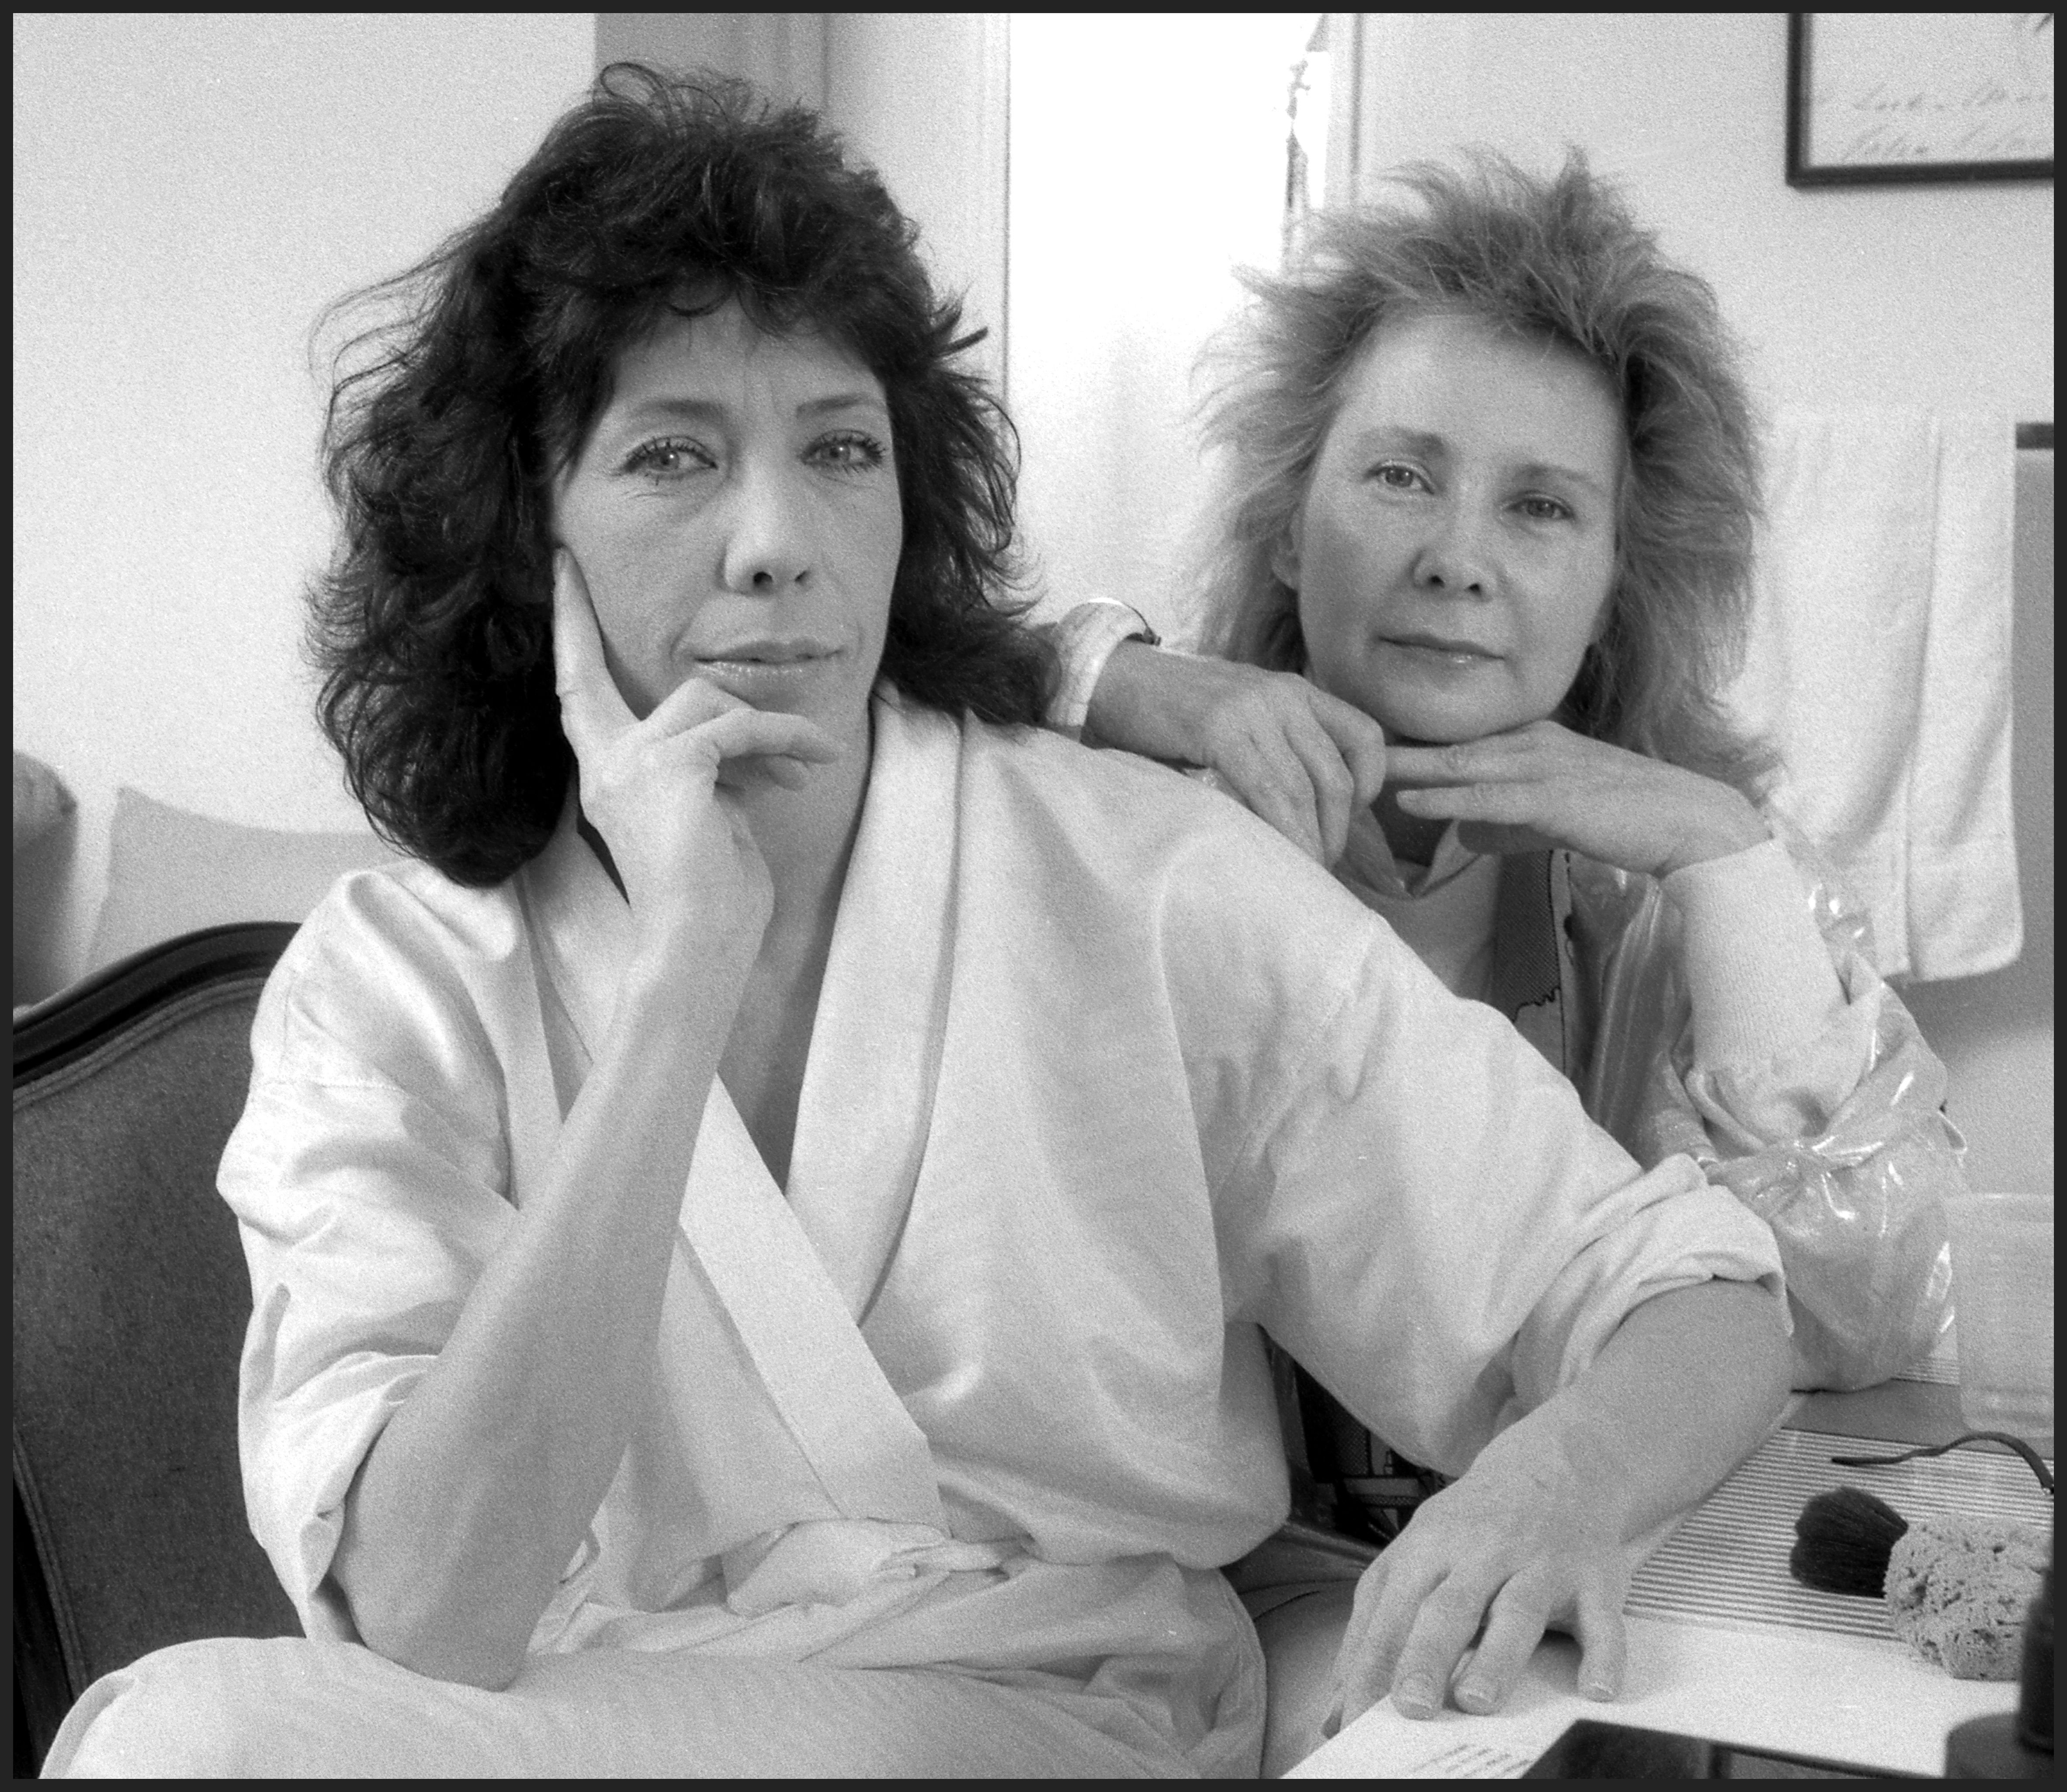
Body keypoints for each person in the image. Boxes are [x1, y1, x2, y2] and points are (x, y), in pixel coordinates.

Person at [43, 75, 1791, 1779]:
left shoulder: (1150, 883)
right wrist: (675, 999)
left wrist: (1545, 1484)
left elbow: (1683, 1291)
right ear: (521, 533)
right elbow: (426, 1605)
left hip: (1077, 1716)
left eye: (839, 451)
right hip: (582, 1722)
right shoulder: (386, 986)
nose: (775, 542)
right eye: (671, 455)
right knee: (196, 1735)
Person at [1049, 153, 1959, 1428]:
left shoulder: (1676, 886)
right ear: (1280, 520)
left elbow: (1853, 1327)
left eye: (1538, 506)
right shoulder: (1122, 808)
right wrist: (1093, 672)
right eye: (1399, 477)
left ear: (1612, 591)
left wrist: (1726, 865)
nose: (1457, 561)